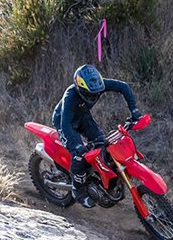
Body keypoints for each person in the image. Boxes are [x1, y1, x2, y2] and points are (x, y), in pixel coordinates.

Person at [52, 64, 141, 208]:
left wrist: (134, 110)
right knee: (78, 155)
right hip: (64, 121)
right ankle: (77, 190)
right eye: (89, 94)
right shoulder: (70, 96)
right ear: (80, 88)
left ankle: (99, 178)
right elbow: (65, 124)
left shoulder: (98, 85)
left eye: (96, 93)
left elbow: (123, 86)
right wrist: (77, 146)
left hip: (83, 116)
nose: (93, 96)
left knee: (102, 144)